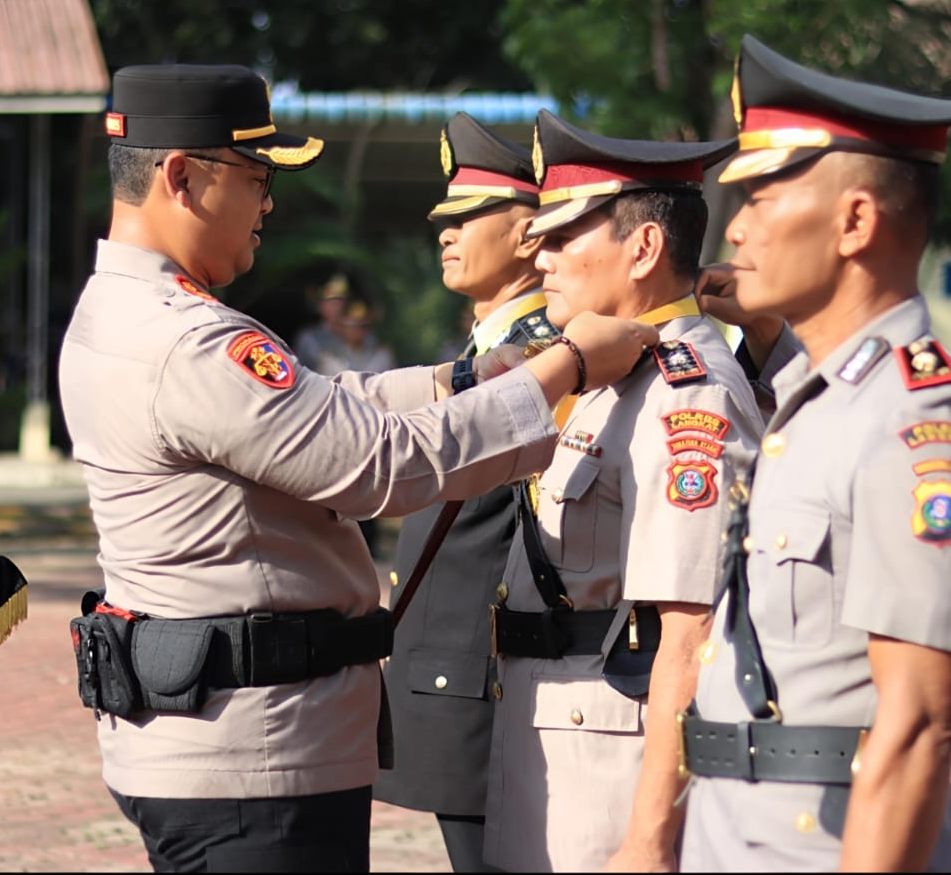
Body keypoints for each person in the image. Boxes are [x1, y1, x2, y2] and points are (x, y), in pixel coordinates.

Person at [56, 64, 657, 873]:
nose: (268, 202)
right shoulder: (187, 340)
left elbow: (322, 404)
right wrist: (567, 370)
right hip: (252, 764)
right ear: (182, 176)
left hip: (223, 744)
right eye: (256, 176)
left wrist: (466, 379)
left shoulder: (124, 316)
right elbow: (383, 466)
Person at [678, 35, 951, 872]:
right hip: (742, 833)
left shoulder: (920, 419)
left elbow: (913, 729)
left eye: (763, 195)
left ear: (856, 221)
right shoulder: (820, 397)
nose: (741, 224)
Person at [481, 110, 764, 873]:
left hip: (611, 780)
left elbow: (691, 633)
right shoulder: (616, 374)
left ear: (643, 247)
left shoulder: (685, 396)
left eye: (566, 236)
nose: (540, 258)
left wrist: (649, 841)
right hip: (558, 749)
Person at [374, 111, 555, 873]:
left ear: (530, 236)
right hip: (451, 682)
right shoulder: (484, 351)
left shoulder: (543, 357)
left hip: (484, 684)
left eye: (470, 216)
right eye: (443, 220)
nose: (446, 234)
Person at [294, 272, 351, 370]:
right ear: (320, 306)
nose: (337, 307)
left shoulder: (360, 333)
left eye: (340, 302)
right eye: (331, 303)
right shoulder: (309, 338)